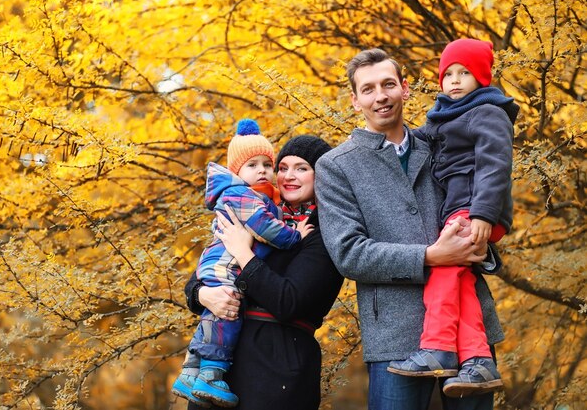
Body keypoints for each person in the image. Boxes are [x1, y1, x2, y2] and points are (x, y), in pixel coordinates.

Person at [315, 47, 505, 410]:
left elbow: (487, 188)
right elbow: (349, 254)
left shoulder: (442, 141)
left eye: (388, 84)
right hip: (394, 333)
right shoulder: (335, 167)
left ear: (405, 88)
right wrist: (431, 256)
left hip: (469, 331)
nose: (380, 96)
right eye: (368, 89)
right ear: (355, 101)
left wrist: (485, 238)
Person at [387, 38, 519, 398]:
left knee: (442, 274)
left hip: (474, 207)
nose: (456, 81)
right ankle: (478, 361)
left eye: (465, 73)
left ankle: (437, 348)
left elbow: (495, 165)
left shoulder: (487, 112)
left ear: (482, 79)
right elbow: (415, 140)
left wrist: (483, 213)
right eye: (449, 74)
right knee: (460, 281)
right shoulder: (445, 113)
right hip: (461, 208)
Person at [179, 135, 343, 410]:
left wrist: (244, 253)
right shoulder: (260, 214)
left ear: (321, 176)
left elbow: (288, 301)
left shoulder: (324, 233)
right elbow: (203, 274)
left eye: (302, 168)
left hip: (277, 365)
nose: (289, 176)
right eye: (283, 167)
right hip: (223, 357)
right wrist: (204, 294)